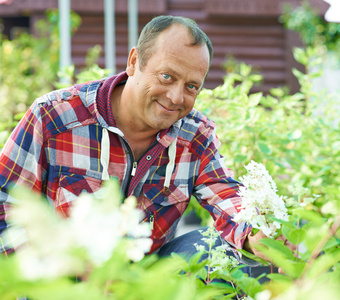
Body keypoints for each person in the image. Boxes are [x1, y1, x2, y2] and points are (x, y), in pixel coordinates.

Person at [0, 15, 290, 268]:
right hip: (62, 279)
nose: (177, 97)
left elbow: (224, 193)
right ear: (134, 62)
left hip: (146, 282)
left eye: (191, 86)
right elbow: (5, 204)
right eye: (166, 76)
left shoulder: (195, 135)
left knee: (215, 248)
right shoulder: (55, 116)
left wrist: (256, 233)